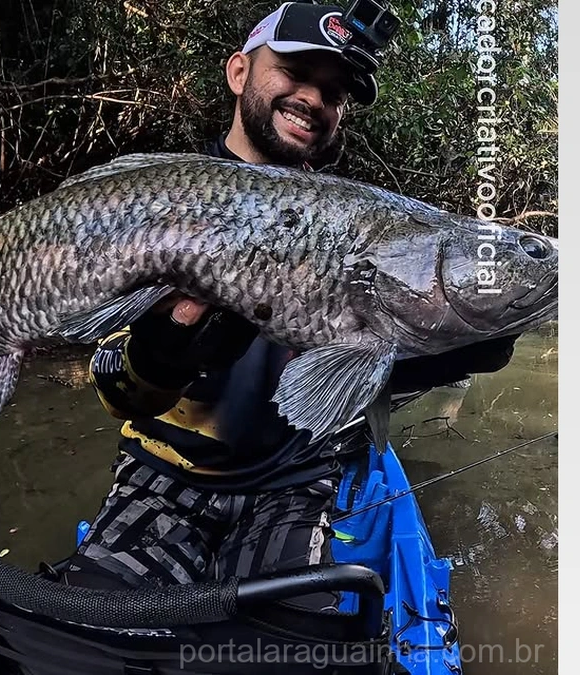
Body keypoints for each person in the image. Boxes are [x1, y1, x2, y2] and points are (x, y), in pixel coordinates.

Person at [62, 2, 518, 612]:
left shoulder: (369, 226)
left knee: (293, 642)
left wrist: (440, 348)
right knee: (92, 630)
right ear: (238, 72)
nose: (313, 98)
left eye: (333, 92)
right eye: (296, 71)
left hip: (296, 479)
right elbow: (112, 386)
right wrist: (158, 358)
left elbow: (349, 382)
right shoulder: (156, 202)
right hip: (163, 476)